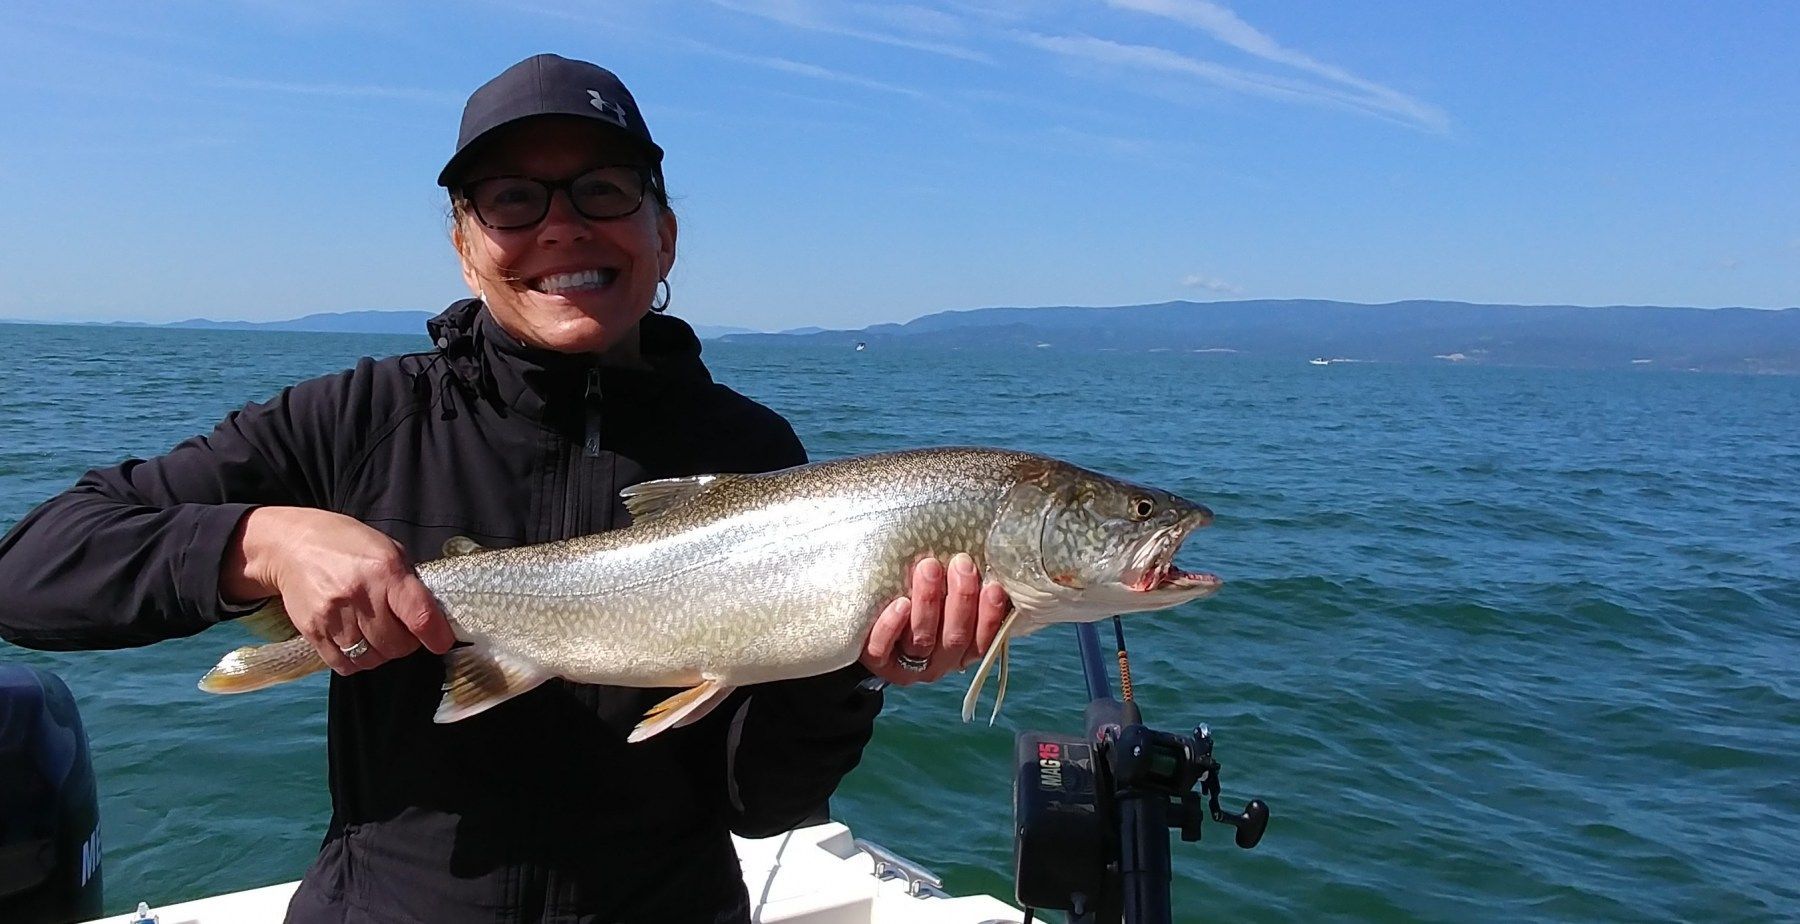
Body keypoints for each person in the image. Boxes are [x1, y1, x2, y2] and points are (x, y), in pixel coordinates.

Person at [0, 53, 1011, 923]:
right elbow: (33, 573)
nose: (562, 227)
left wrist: (858, 666)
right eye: (513, 199)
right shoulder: (358, 419)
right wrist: (262, 544)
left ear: (664, 233)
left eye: (604, 190)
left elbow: (761, 802)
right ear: (464, 244)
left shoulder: (753, 453)